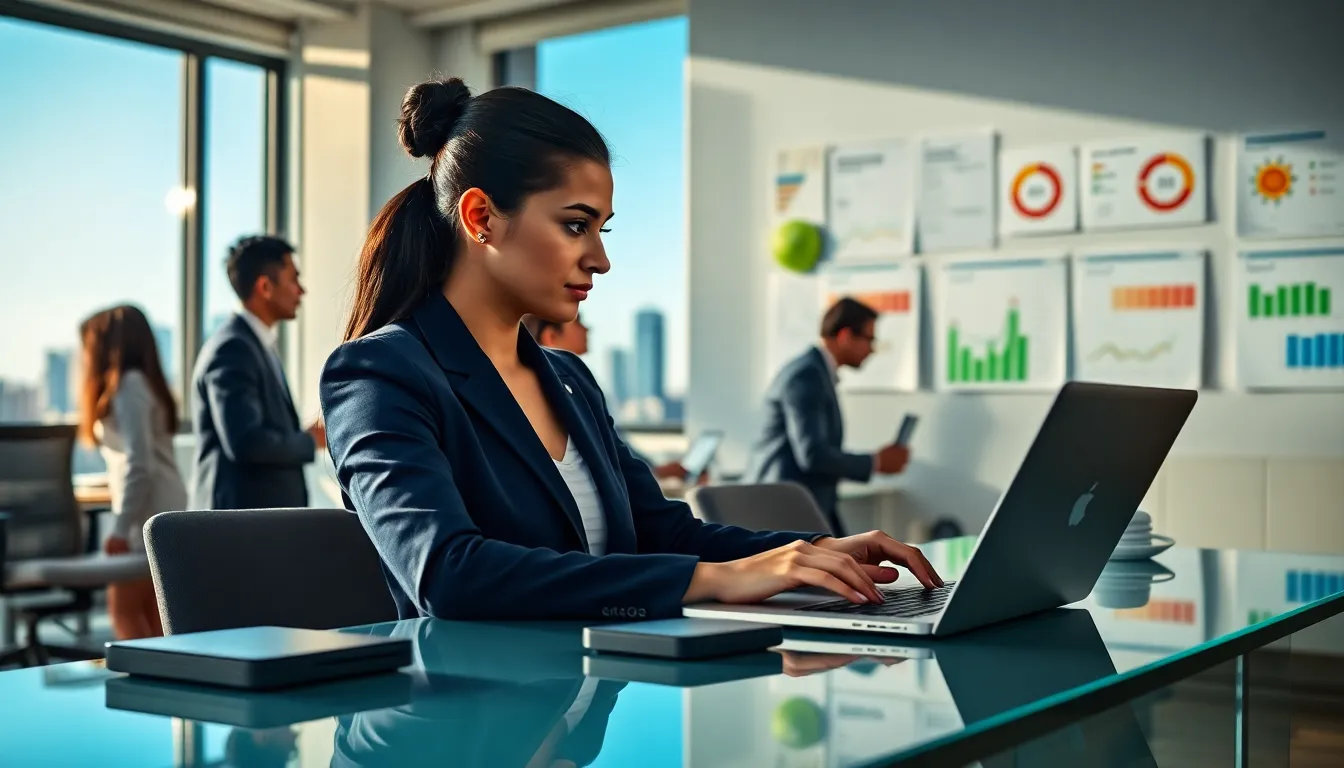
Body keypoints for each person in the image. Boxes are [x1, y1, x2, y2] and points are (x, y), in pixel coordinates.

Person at [319, 76, 941, 624]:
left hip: (575, 712)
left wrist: (811, 552)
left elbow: (658, 530)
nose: (600, 259)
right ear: (482, 217)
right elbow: (450, 575)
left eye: (601, 229)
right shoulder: (379, 374)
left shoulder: (568, 379)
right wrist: (715, 580)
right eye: (574, 225)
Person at [742, 298, 911, 536]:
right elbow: (812, 455)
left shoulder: (816, 372)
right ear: (844, 336)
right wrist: (876, 462)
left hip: (803, 505)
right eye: (869, 339)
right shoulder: (807, 375)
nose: (872, 349)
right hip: (784, 511)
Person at [189, 235, 324, 510]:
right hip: (238, 528)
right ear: (265, 286)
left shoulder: (254, 343)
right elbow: (246, 442)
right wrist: (309, 441)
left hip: (253, 525)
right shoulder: (233, 348)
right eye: (293, 279)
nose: (301, 290)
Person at [76, 304, 186, 639]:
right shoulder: (143, 383)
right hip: (160, 502)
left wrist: (120, 528)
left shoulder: (129, 386)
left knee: (123, 610)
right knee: (154, 615)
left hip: (145, 511)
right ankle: (166, 686)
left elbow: (139, 464)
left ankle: (148, 684)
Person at [521, 314, 698, 483]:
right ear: (551, 336)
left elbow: (617, 447)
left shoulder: (582, 386)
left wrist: (654, 472)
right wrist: (655, 473)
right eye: (578, 322)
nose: (588, 329)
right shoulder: (553, 401)